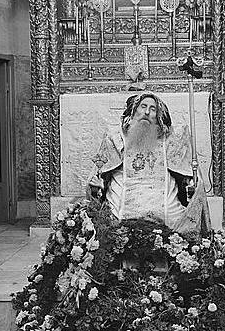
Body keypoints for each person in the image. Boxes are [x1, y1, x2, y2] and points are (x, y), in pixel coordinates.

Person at [88, 91, 210, 234]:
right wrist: (97, 184)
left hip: (162, 202)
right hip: (124, 200)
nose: (146, 112)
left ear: (158, 117)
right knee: (108, 218)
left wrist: (192, 184)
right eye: (143, 106)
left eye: (153, 109)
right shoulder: (116, 137)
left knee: (178, 221)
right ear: (133, 111)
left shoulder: (170, 140)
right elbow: (99, 171)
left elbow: (187, 173)